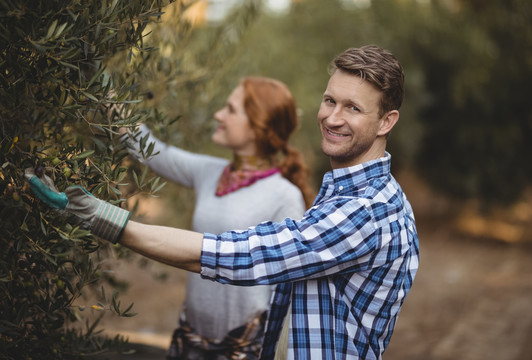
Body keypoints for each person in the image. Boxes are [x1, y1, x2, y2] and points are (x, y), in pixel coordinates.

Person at [26, 45, 420, 359]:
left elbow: (239, 254)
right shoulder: (350, 194)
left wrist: (103, 218)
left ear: (386, 122)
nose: (333, 117)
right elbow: (149, 150)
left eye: (353, 107)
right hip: (196, 336)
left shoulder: (364, 211)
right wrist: (103, 94)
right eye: (330, 100)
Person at [121, 76, 314, 359]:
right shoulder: (209, 172)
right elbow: (149, 150)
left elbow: (287, 290)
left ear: (257, 127)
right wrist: (109, 98)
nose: (218, 115)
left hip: (243, 348)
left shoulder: (284, 196)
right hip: (191, 340)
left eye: (231, 110)